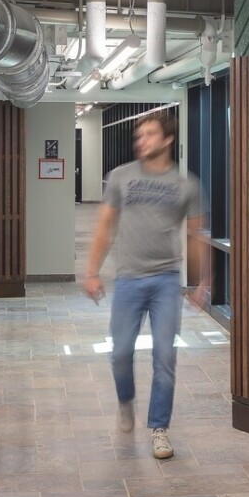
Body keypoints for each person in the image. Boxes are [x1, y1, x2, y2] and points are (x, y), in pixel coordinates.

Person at [83, 112, 209, 460]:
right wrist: (92, 270)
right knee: (120, 354)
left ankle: (159, 429)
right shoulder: (120, 177)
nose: (142, 141)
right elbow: (105, 226)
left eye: (150, 134)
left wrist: (199, 282)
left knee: (165, 356)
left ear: (168, 140)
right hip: (128, 280)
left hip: (166, 280)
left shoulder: (188, 186)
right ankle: (126, 401)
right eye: (139, 135)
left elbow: (196, 235)